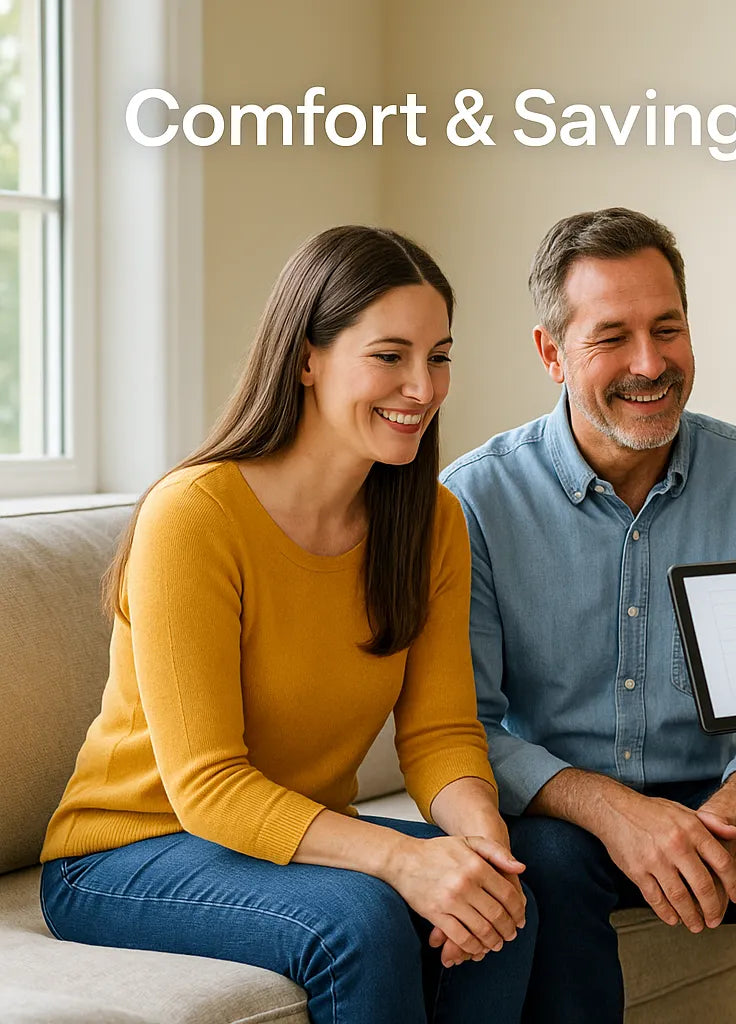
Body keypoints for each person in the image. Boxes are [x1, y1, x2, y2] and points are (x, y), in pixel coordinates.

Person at [40, 225, 537, 1024]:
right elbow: (207, 786)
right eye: (390, 356)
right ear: (307, 358)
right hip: (122, 853)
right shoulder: (195, 516)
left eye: (439, 356)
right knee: (363, 918)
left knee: (503, 908)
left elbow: (441, 732)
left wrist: (481, 851)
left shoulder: (431, 520)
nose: (423, 386)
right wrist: (402, 861)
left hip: (280, 844)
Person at [441, 207, 736, 1024]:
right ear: (551, 354)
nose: (649, 362)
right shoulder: (474, 500)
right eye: (611, 337)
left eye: (668, 329)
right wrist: (616, 813)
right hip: (571, 822)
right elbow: (467, 725)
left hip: (723, 811)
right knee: (542, 864)